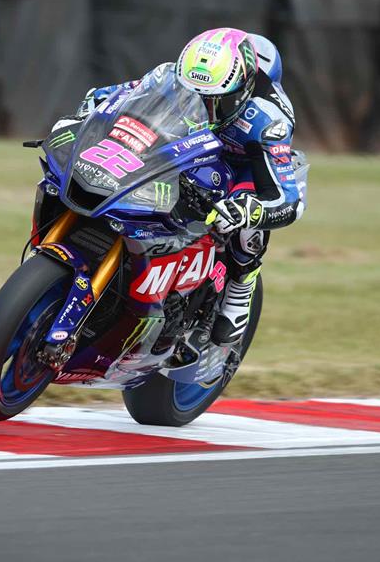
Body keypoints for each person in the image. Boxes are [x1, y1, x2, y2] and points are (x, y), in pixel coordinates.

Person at [76, 28, 306, 348]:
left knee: (242, 219)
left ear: (242, 91)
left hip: (242, 164)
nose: (204, 108)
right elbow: (117, 96)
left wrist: (248, 209)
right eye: (195, 97)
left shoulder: (268, 121)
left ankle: (241, 285)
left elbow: (288, 200)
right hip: (188, 143)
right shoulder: (171, 76)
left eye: (216, 103)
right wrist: (93, 107)